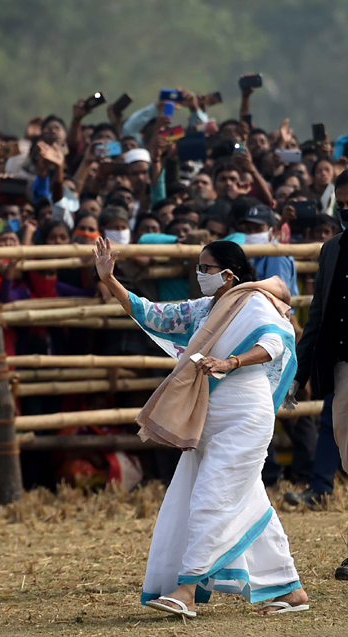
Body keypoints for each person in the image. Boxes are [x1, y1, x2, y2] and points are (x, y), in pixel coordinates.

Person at [94, 236, 308, 617]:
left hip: (246, 415)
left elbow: (276, 343)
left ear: (228, 274)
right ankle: (289, 589)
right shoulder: (203, 309)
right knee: (242, 499)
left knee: (211, 498)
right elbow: (151, 313)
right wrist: (110, 280)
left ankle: (187, 589)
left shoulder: (254, 300)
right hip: (208, 416)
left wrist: (231, 363)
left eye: (205, 268)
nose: (199, 274)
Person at [284, 168, 348, 579]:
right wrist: (299, 371)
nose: (346, 210)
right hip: (342, 371)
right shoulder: (332, 249)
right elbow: (318, 318)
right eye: (341, 204)